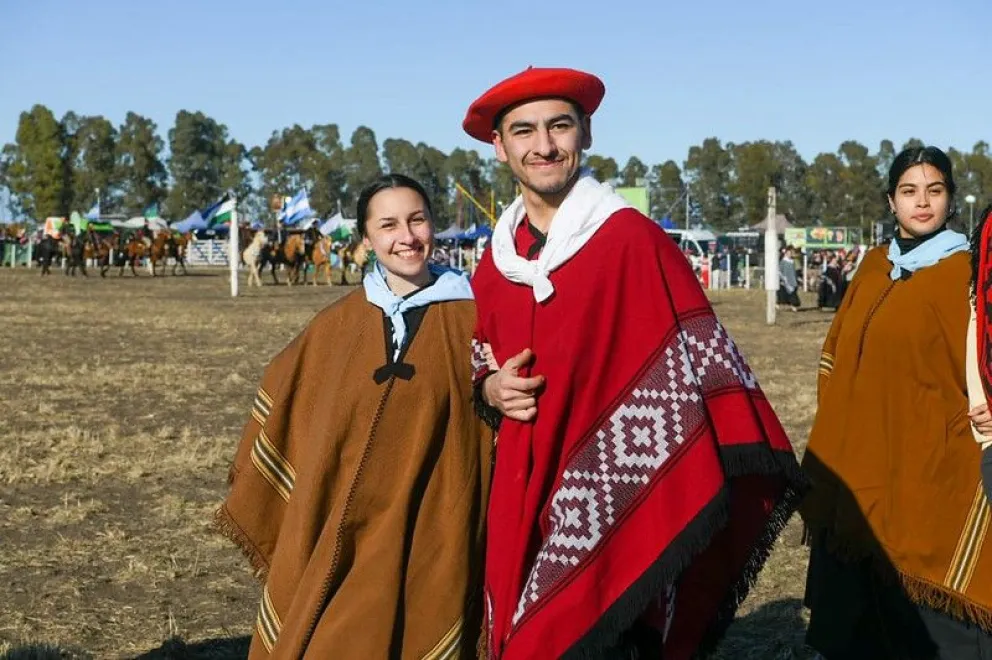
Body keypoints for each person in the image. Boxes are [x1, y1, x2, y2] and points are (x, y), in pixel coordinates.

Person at [463, 66, 806, 659]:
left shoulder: (633, 242)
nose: (543, 146)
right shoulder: (495, 265)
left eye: (559, 126)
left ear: (586, 134)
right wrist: (490, 388)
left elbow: (706, 365)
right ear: (500, 147)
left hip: (619, 499)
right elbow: (481, 357)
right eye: (523, 131)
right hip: (521, 492)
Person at [218, 174, 493, 658]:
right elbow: (290, 389)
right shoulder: (337, 323)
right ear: (367, 239)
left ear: (433, 226)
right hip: (338, 525)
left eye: (417, 220)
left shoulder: (477, 316)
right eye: (387, 225)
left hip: (433, 524)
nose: (406, 237)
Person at [801, 146, 992, 659]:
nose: (922, 203)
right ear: (891, 201)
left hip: (935, 452)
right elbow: (836, 353)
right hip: (861, 451)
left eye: (935, 191)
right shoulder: (872, 264)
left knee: (926, 599)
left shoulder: (969, 272)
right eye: (909, 191)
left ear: (951, 198)